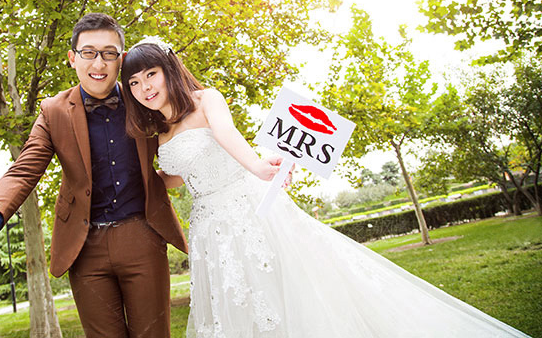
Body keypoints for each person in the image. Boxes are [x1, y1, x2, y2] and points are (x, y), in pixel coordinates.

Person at [121, 40, 531, 338]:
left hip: (246, 207)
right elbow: (177, 177)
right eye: (135, 82)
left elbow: (229, 138)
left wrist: (261, 167)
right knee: (234, 302)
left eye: (151, 74)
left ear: (169, 68)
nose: (145, 87)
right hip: (208, 226)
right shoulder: (159, 133)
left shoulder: (205, 100)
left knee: (285, 289)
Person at [0, 14, 187, 338]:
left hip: (143, 236)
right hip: (85, 247)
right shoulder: (53, 111)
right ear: (72, 58)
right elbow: (23, 170)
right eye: (88, 52)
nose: (99, 63)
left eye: (109, 53)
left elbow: (187, 130)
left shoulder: (144, 98)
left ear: (121, 59)